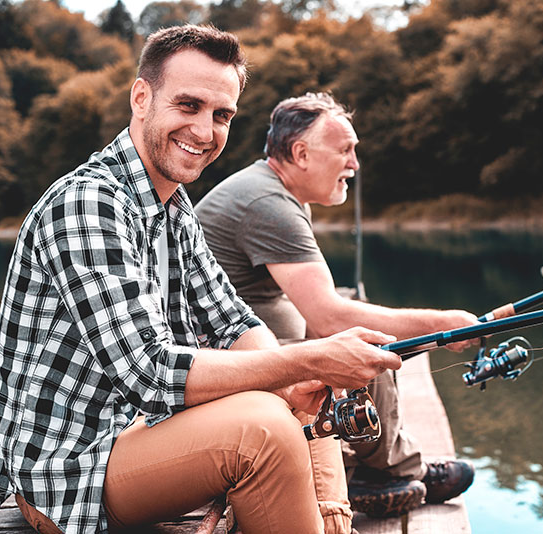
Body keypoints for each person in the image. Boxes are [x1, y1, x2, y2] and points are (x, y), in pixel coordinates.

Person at [0, 26, 400, 534]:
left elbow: (231, 320)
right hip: (69, 475)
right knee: (264, 429)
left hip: (136, 434)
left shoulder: (174, 208)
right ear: (141, 98)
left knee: (302, 400)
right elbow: (150, 374)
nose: (205, 131)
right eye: (188, 106)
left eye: (221, 115)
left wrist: (298, 379)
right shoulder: (89, 202)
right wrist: (305, 359)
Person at [195, 92, 492, 517]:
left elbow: (319, 309)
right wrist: (444, 324)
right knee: (362, 340)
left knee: (356, 326)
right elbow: (330, 316)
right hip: (230, 366)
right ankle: (389, 471)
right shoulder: (268, 204)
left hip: (247, 348)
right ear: (300, 154)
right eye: (346, 151)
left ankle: (381, 464)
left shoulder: (274, 192)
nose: (355, 164)